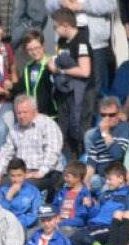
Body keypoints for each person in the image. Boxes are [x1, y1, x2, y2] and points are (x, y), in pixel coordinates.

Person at [0, 96, 65, 197]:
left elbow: (52, 152)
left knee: (24, 188)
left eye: (25, 112)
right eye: (19, 113)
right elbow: (6, 152)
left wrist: (40, 172)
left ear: (34, 111)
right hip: (21, 174)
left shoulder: (47, 124)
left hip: (47, 173)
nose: (21, 116)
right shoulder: (14, 129)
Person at [50, 9, 93, 158]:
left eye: (56, 27)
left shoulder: (81, 42)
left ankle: (82, 162)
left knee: (79, 131)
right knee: (64, 132)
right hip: (64, 93)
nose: (55, 30)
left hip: (81, 95)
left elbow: (85, 71)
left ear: (66, 25)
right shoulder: (62, 42)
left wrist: (60, 71)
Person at [83, 95, 129, 191]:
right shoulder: (97, 133)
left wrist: (105, 134)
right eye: (103, 115)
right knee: (75, 184)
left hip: (118, 179)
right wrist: (86, 181)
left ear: (119, 114)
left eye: (111, 115)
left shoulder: (125, 128)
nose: (107, 118)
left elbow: (118, 154)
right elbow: (91, 162)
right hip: (101, 177)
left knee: (100, 185)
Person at [16, 29, 56, 118]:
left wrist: (55, 72)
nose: (34, 52)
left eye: (37, 48)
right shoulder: (28, 67)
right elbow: (21, 86)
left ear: (43, 46)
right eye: (30, 49)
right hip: (32, 114)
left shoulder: (51, 64)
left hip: (49, 115)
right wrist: (10, 86)